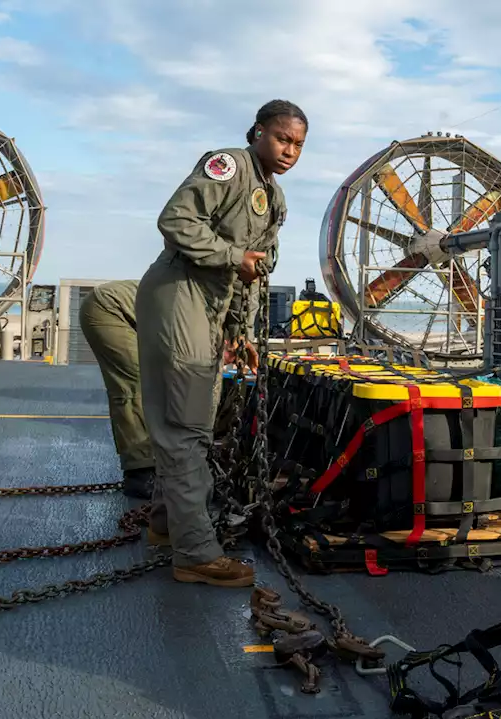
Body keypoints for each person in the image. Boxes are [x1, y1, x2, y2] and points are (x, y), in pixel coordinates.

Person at [136, 100, 307, 588]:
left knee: (196, 419)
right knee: (185, 426)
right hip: (179, 293)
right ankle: (194, 553)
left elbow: (250, 274)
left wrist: (240, 332)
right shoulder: (228, 166)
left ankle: (167, 525)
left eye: (298, 145)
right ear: (258, 133)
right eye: (282, 139)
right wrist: (233, 255)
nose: (290, 151)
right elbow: (175, 221)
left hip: (211, 306)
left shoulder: (274, 200)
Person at [78, 279, 154, 500]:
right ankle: (140, 473)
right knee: (135, 384)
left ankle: (152, 461)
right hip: (107, 309)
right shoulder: (200, 319)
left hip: (128, 313)